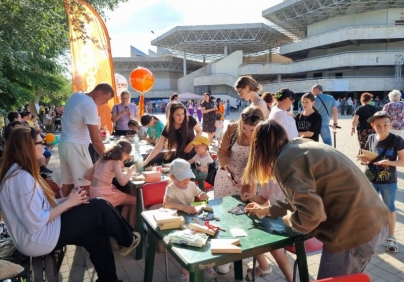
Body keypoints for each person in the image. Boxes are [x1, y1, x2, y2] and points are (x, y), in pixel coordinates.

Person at [243, 119, 390, 280]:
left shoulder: (285, 161)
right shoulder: (297, 147)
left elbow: (312, 214)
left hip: (352, 232)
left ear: (259, 150)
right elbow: (299, 199)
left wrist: (290, 220)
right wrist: (266, 209)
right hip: (374, 221)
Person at [0, 127, 141, 282]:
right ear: (27, 147)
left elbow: (39, 207)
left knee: (98, 235)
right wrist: (68, 204)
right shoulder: (21, 178)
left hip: (40, 233)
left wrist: (68, 200)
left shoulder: (19, 172)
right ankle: (128, 240)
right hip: (37, 239)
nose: (45, 146)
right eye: (41, 143)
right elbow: (36, 222)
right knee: (99, 205)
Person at [162, 158, 215, 282]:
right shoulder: (171, 188)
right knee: (190, 243)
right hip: (178, 220)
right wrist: (183, 207)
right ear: (173, 177)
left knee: (207, 236)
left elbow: (202, 194)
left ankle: (208, 263)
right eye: (182, 178)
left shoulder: (191, 184)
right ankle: (185, 270)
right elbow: (166, 204)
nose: (186, 180)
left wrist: (204, 195)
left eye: (188, 177)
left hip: (193, 217)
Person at [360, 111, 404, 253]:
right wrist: (364, 159)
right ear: (373, 126)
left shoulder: (396, 140)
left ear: (391, 124)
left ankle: (391, 237)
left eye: (385, 124)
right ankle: (371, 234)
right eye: (378, 125)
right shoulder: (371, 138)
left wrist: (389, 163)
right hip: (371, 179)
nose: (382, 128)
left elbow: (403, 161)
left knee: (389, 208)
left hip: (388, 181)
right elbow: (366, 156)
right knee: (368, 207)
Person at [59, 83, 114, 196]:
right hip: (77, 146)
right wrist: (108, 157)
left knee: (68, 183)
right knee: (86, 185)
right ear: (98, 93)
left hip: (64, 144)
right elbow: (96, 140)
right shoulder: (89, 105)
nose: (106, 102)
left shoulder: (77, 95)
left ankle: (60, 210)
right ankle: (87, 213)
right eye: (106, 98)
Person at [242, 181, 293, 282]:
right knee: (252, 234)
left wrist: (263, 209)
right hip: (275, 220)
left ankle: (291, 279)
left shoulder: (289, 177)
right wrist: (252, 196)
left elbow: (291, 207)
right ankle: (264, 267)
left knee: (273, 246)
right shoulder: (268, 178)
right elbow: (263, 199)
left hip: (293, 222)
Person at [84, 140, 138, 229]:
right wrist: (131, 170)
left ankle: (124, 226)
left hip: (93, 190)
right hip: (104, 194)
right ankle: (131, 230)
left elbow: (87, 175)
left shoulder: (102, 158)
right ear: (125, 154)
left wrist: (105, 183)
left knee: (128, 200)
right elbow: (123, 182)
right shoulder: (115, 163)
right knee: (135, 200)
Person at [143, 102, 202, 167]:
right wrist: (146, 161)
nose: (181, 117)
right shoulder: (168, 127)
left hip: (194, 156)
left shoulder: (190, 119)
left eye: (183, 114)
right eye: (178, 115)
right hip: (180, 157)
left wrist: (192, 143)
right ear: (172, 115)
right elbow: (158, 147)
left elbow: (199, 131)